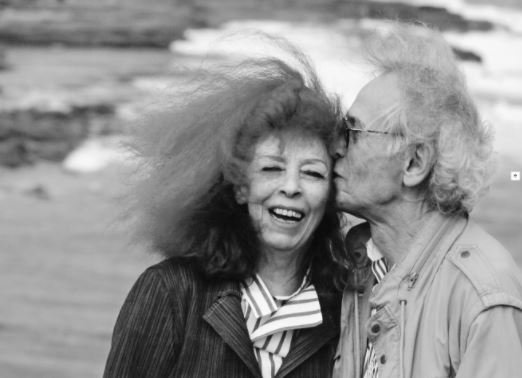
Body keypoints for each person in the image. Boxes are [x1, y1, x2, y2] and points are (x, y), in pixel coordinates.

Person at [103, 44, 351, 378]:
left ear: (331, 195)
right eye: (272, 169)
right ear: (239, 186)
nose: (291, 187)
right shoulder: (171, 292)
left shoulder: (344, 314)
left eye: (312, 173)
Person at [332, 23, 522, 378]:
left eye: (352, 132)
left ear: (414, 163)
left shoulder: (482, 295)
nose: (336, 147)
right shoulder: (359, 263)